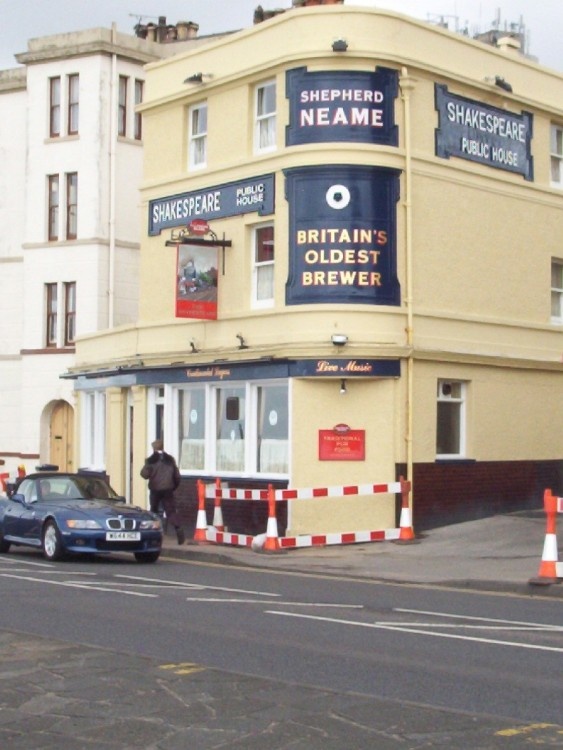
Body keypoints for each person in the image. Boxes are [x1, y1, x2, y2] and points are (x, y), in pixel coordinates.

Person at [140, 439, 185, 545]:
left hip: (155, 490)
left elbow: (144, 475)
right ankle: (179, 529)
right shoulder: (170, 459)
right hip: (168, 490)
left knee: (154, 512)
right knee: (171, 511)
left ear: (154, 448)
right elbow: (177, 476)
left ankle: (153, 536)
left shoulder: (151, 460)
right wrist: (173, 487)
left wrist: (147, 468)